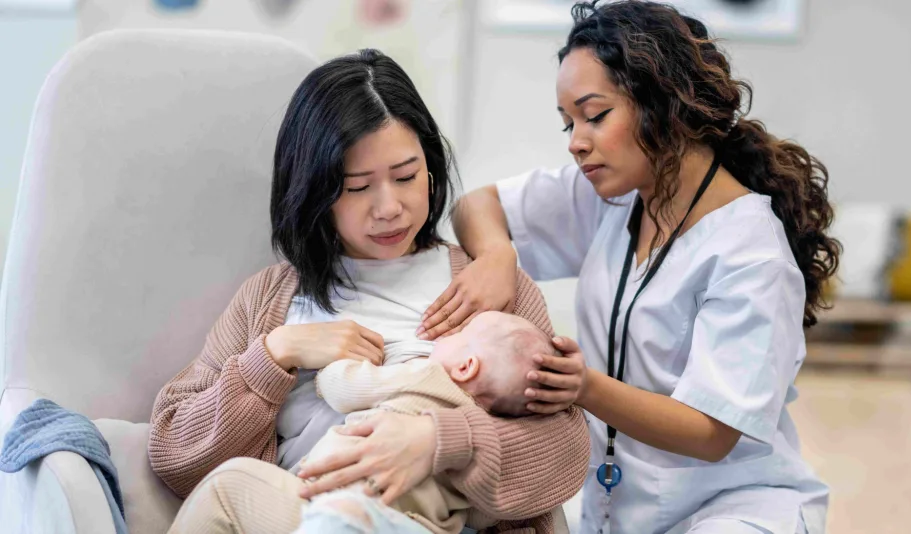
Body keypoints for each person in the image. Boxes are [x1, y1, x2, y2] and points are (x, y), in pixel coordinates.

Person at [425, 2, 841, 533]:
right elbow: (475, 206)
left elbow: (711, 434)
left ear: (663, 100)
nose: (576, 141)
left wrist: (584, 387)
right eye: (568, 123)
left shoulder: (750, 252)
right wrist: (498, 255)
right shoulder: (612, 196)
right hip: (619, 508)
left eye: (595, 116)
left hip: (736, 508)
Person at [151, 49, 589, 534]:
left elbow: (565, 451)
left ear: (430, 167)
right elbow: (175, 454)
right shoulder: (270, 299)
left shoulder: (487, 288)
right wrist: (276, 354)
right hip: (305, 516)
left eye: (406, 177)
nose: (390, 208)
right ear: (315, 192)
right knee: (231, 487)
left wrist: (437, 438)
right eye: (358, 187)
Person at [295, 311, 558, 534]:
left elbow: (346, 389)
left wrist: (328, 372)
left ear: (466, 367)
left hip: (350, 502)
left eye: (458, 335)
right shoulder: (480, 443)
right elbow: (482, 517)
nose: (444, 336)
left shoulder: (427, 376)